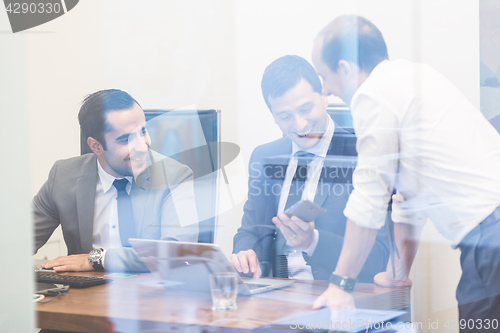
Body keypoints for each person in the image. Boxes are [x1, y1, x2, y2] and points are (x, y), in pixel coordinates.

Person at [311, 15, 500, 329]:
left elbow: (370, 195)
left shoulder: (373, 95)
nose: (327, 90)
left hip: (491, 238)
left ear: (344, 68)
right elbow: (409, 200)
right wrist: (398, 275)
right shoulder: (415, 77)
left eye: (324, 77)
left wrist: (340, 285)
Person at [231, 55, 389, 282]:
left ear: (324, 96)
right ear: (274, 117)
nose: (300, 125)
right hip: (272, 298)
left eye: (306, 109)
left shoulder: (363, 155)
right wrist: (245, 253)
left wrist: (312, 242)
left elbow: (381, 258)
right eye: (285, 116)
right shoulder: (263, 157)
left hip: (336, 298)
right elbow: (250, 230)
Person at [34, 89, 199, 272]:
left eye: (143, 131)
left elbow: (177, 253)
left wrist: (98, 259)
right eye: (126, 140)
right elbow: (16, 242)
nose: (142, 147)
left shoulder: (175, 177)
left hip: (153, 295)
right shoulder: (64, 176)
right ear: (96, 146)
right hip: (83, 295)